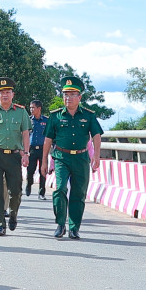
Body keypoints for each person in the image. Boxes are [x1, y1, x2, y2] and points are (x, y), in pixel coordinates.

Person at [42, 75, 104, 239]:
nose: (68, 98)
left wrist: (96, 156)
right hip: (61, 157)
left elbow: (96, 135)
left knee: (78, 194)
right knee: (60, 188)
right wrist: (44, 162)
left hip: (81, 158)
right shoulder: (55, 116)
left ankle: (74, 227)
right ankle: (60, 224)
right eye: (65, 94)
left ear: (79, 97)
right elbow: (48, 140)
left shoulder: (88, 115)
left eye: (71, 94)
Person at [0, 77, 31, 236]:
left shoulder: (21, 112)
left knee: (15, 191)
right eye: (2, 92)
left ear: (12, 94)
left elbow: (25, 134)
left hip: (14, 156)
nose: (5, 95)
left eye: (8, 92)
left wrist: (26, 153)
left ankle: (13, 213)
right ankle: (0, 223)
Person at [25, 99, 49, 199]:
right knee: (30, 170)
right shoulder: (29, 120)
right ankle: (29, 184)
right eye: (30, 107)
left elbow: (50, 135)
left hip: (43, 149)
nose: (31, 109)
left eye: (33, 107)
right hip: (32, 149)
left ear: (39, 108)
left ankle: (41, 192)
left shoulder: (46, 121)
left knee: (42, 171)